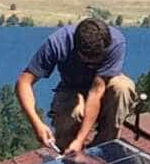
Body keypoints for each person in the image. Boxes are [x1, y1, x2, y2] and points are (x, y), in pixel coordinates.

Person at [15, 17, 138, 154]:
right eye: (88, 60)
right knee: (73, 111)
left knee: (123, 87)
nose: (92, 65)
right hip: (71, 88)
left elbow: (96, 91)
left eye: (98, 59)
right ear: (77, 48)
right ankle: (68, 154)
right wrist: (36, 123)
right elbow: (24, 82)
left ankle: (105, 148)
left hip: (103, 85)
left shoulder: (116, 42)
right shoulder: (58, 42)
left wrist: (80, 139)